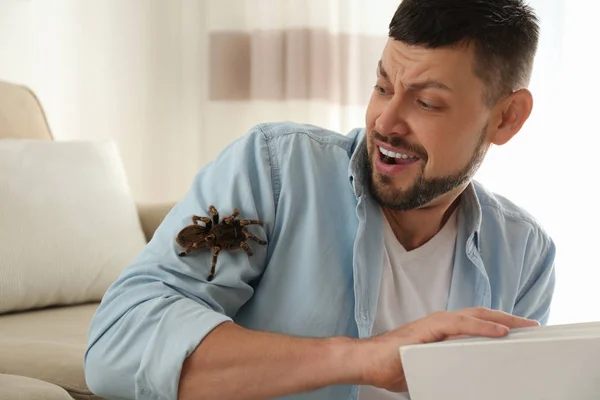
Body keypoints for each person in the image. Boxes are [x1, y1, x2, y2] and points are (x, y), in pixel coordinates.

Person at [84, 0, 556, 399]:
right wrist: (360, 359)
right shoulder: (275, 170)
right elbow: (119, 342)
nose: (385, 121)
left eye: (427, 102)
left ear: (507, 118)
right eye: (382, 87)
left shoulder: (525, 254)